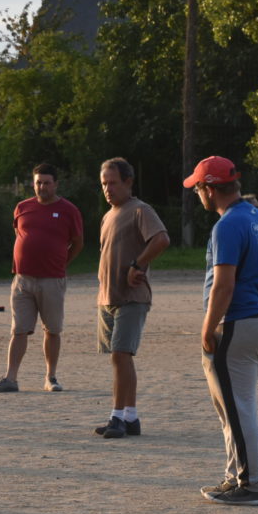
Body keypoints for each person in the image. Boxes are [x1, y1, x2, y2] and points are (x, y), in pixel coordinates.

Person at [186, 156, 258, 506]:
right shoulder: (257, 216)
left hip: (239, 322)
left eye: (198, 188)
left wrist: (207, 326)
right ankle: (234, 476)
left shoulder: (227, 225)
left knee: (238, 409)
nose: (197, 194)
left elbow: (224, 285)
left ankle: (251, 485)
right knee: (235, 408)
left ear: (210, 189)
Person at [0, 163, 84, 393]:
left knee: (52, 329)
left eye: (47, 183)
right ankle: (10, 378)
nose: (42, 187)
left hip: (52, 279)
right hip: (23, 280)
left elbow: (78, 243)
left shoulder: (69, 210)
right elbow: (19, 234)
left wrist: (62, 262)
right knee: (19, 329)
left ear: (56, 184)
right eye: (38, 182)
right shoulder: (22, 207)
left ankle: (51, 377)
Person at [95, 157, 170, 438]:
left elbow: (161, 239)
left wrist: (138, 265)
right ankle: (130, 416)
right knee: (121, 358)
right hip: (108, 297)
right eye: (104, 183)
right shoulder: (108, 215)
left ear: (128, 182)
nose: (108, 189)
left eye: (113, 183)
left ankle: (116, 417)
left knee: (121, 355)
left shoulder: (140, 210)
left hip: (131, 297)